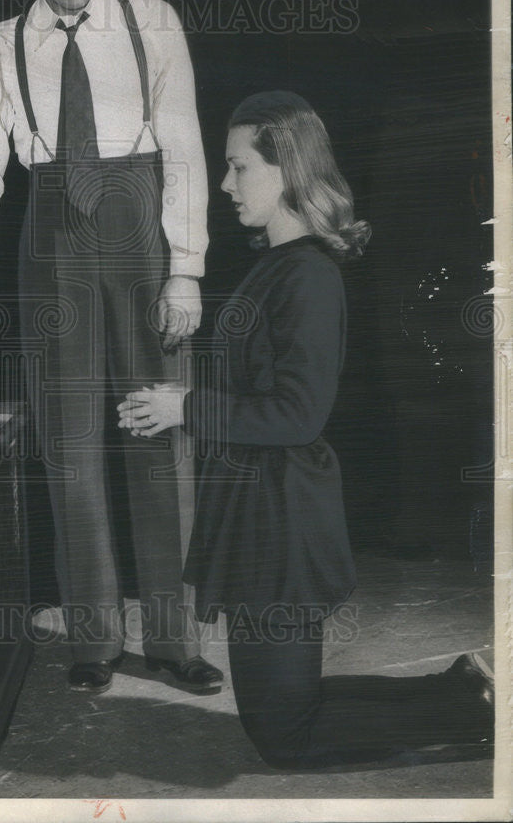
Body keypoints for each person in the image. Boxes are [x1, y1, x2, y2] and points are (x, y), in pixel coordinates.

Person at [118, 91, 494, 767]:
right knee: (288, 718)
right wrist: (189, 396)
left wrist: (187, 409)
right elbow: (264, 387)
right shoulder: (278, 266)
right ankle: (467, 693)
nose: (226, 186)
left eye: (239, 168)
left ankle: (481, 722)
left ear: (286, 170)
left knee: (286, 736)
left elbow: (299, 413)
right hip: (262, 513)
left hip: (282, 522)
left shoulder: (309, 276)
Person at [0, 0, 221, 695]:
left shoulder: (150, 23)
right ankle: (93, 641)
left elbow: (186, 151)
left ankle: (175, 642)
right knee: (70, 445)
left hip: (141, 237)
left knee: (160, 436)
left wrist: (187, 272)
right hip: (50, 238)